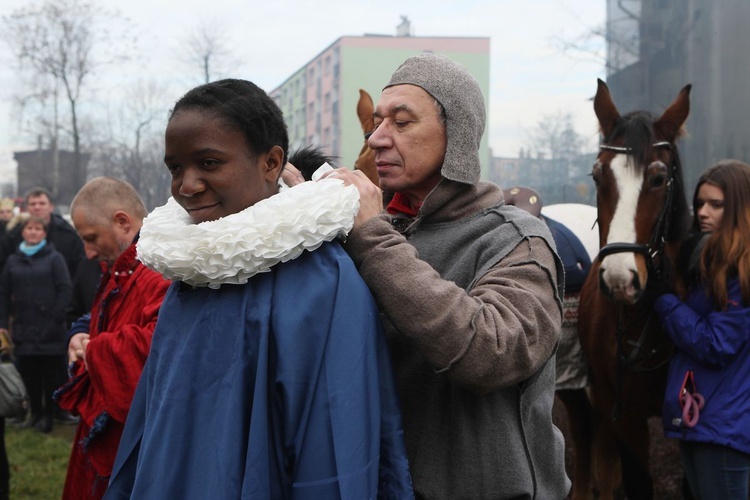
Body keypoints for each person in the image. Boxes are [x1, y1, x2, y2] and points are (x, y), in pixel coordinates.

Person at [105, 79, 412, 498]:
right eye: (176, 167)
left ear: (271, 163)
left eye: (209, 163)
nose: (187, 185)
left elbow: (334, 448)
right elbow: (154, 421)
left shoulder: (323, 280)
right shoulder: (189, 275)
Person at [308, 53, 570, 498]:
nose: (376, 139)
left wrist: (372, 238)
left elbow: (493, 351)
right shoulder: (370, 230)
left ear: (458, 135)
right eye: (376, 123)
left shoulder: (516, 239)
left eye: (402, 122)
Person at [54, 177, 171, 499]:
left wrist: (96, 351)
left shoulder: (163, 267)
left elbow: (164, 346)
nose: (88, 253)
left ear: (122, 222)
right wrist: (81, 333)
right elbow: (106, 316)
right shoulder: (125, 267)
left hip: (133, 441)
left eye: (91, 238)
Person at [653, 159, 750, 500]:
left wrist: (664, 300)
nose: (703, 212)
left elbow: (715, 344)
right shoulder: (712, 264)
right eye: (700, 203)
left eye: (716, 205)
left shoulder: (742, 272)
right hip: (704, 419)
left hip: (724, 426)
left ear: (740, 208)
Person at [0, 215, 72, 434]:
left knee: (50, 375)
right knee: (29, 375)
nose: (33, 232)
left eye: (37, 228)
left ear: (44, 232)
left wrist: (55, 317)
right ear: (23, 232)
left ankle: (49, 415)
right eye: (29, 228)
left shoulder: (55, 258)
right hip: (24, 328)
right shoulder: (13, 261)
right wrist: (3, 323)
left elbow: (65, 289)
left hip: (50, 329)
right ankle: (35, 413)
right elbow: (3, 294)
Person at [1, 188, 85, 281]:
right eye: (33, 204)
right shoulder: (14, 234)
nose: (37, 207)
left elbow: (79, 265)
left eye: (42, 203)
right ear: (26, 208)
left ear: (51, 207)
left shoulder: (67, 233)